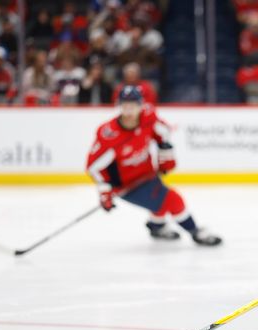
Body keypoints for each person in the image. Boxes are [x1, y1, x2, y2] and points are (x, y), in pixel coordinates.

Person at [86, 86, 222, 246]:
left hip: (147, 175)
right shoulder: (110, 135)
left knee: (160, 202)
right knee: (173, 200)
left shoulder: (147, 117)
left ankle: (156, 226)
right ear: (119, 106)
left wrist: (166, 153)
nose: (129, 111)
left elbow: (163, 131)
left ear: (141, 105)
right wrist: (104, 191)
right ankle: (196, 232)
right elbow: (93, 167)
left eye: (133, 105)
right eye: (125, 105)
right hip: (127, 186)